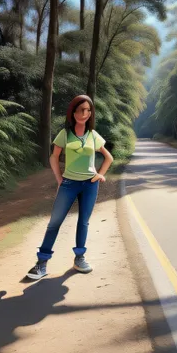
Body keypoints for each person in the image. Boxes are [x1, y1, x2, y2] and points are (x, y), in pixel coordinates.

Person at [27, 94, 114, 280]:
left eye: (88, 110)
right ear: (73, 112)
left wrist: (100, 174)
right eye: (81, 110)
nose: (85, 113)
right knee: (55, 222)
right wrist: (59, 179)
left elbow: (109, 157)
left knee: (83, 222)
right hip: (69, 184)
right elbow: (53, 157)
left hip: (90, 185)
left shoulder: (93, 135)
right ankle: (41, 262)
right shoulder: (65, 134)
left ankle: (79, 258)